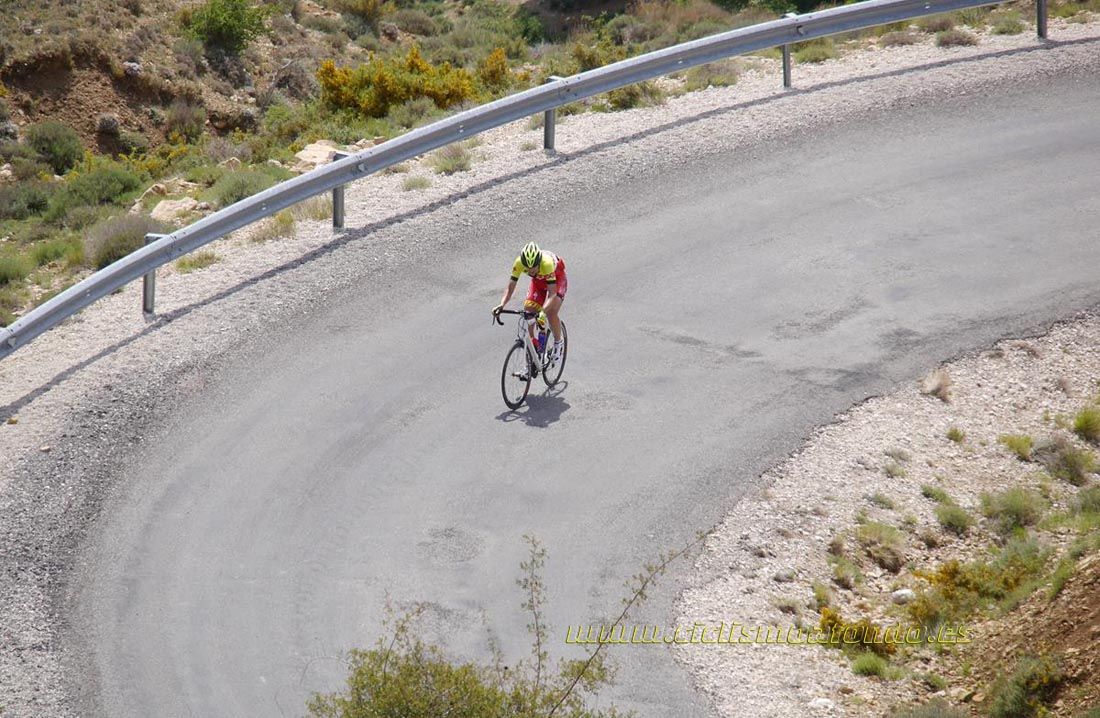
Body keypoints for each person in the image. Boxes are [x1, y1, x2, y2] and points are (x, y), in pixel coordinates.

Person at [492, 241, 567, 365]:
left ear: (539, 263)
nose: (531, 271)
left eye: (534, 268)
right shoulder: (519, 263)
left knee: (551, 312)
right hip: (538, 283)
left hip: (557, 281)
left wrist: (542, 312)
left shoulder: (547, 263)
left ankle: (559, 343)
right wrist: (502, 305)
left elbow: (552, 294)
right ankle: (536, 348)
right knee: (529, 311)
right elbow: (510, 289)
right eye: (528, 269)